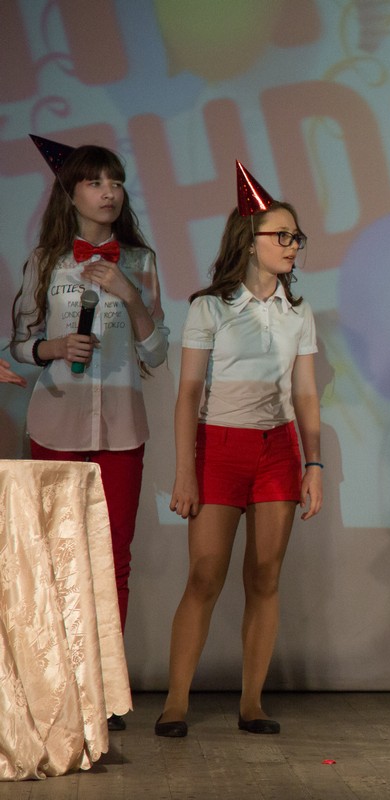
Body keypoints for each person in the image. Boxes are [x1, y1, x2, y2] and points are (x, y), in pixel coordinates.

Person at [155, 162, 322, 738]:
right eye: (282, 235)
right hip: (219, 446)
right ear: (248, 241)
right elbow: (187, 395)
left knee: (265, 575)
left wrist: (314, 464)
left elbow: (305, 394)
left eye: (296, 236)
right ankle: (176, 702)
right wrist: (185, 471)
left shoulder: (298, 312)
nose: (292, 245)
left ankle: (252, 703)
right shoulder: (210, 307)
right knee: (205, 575)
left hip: (277, 449)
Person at [10, 137, 169, 731]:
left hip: (122, 428)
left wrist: (130, 294)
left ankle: (102, 691)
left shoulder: (141, 261)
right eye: (96, 182)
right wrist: (52, 348)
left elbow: (157, 351)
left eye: (116, 182)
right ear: (71, 193)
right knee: (55, 557)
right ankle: (58, 690)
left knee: (112, 557)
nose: (109, 192)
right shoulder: (45, 261)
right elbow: (19, 345)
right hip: (57, 421)